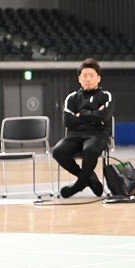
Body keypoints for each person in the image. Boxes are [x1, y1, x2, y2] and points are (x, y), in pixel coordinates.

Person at [53, 58, 113, 198]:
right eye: (84, 75)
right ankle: (89, 178)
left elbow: (104, 116)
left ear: (98, 78)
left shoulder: (105, 96)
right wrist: (94, 115)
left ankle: (78, 185)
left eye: (91, 75)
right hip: (75, 136)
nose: (88, 79)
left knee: (89, 149)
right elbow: (68, 121)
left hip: (97, 136)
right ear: (79, 78)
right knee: (57, 151)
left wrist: (81, 114)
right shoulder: (72, 98)